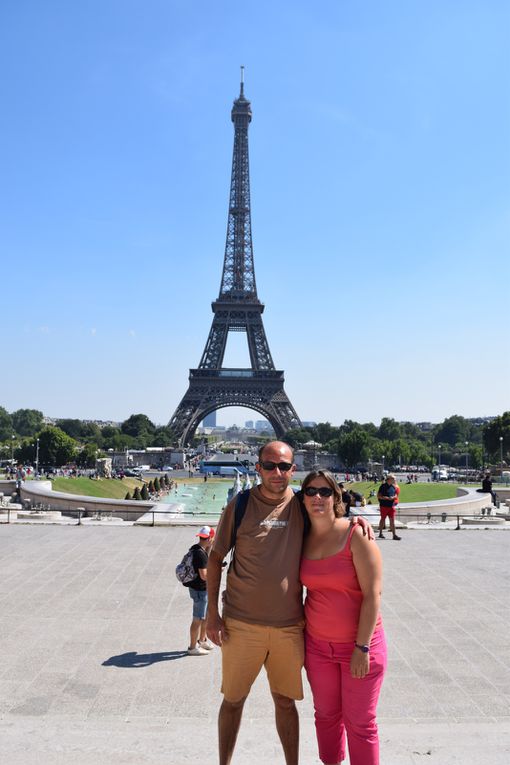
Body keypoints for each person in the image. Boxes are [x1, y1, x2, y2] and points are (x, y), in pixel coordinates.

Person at [206, 441, 373, 765]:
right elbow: (215, 559)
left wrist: (354, 520)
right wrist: (212, 614)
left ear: (293, 469)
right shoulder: (240, 505)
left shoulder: (302, 505)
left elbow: (330, 519)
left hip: (289, 627)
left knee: (285, 702)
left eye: (284, 466)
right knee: (233, 700)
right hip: (241, 625)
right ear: (257, 468)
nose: (277, 472)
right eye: (269, 466)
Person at [300, 470, 386, 765]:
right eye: (310, 492)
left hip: (360, 647)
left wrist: (361, 648)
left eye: (325, 492)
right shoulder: (300, 535)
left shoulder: (356, 534)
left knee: (360, 723)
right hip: (317, 648)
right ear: (303, 498)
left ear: (336, 497)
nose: (317, 497)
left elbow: (373, 595)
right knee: (325, 717)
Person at [187, 525, 216, 656]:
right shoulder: (200, 554)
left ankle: (202, 640)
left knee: (205, 616)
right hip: (199, 591)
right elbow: (204, 575)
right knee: (197, 619)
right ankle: (192, 648)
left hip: (201, 589)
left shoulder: (197, 548)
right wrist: (216, 572)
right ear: (210, 538)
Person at [377, 473, 401, 540]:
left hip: (391, 506)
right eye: (393, 478)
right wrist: (386, 498)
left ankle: (394, 535)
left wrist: (393, 497)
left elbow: (396, 495)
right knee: (382, 519)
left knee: (392, 520)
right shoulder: (383, 486)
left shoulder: (393, 487)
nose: (395, 480)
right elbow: (379, 496)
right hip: (384, 506)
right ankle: (380, 533)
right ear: (389, 479)